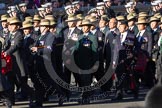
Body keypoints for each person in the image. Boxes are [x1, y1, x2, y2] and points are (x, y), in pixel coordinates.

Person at [73, 19, 98, 104]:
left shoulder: (93, 37)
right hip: (79, 62)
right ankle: (84, 95)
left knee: (87, 80)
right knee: (81, 81)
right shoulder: (79, 37)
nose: (84, 28)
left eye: (85, 26)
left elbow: (95, 51)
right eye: (82, 26)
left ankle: (86, 97)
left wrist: (95, 63)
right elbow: (75, 49)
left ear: (89, 27)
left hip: (88, 62)